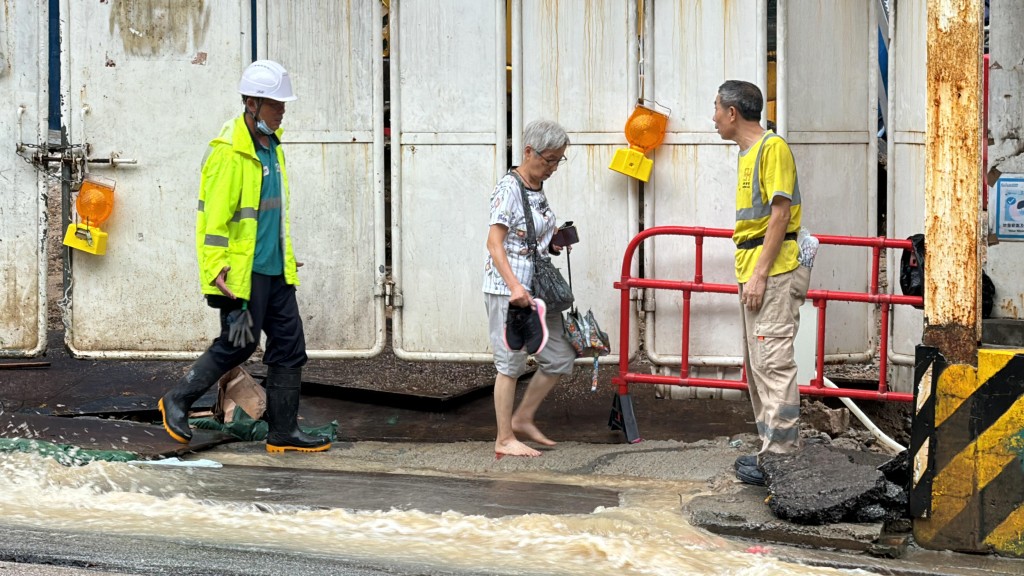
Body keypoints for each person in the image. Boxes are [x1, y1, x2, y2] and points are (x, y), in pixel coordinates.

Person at [158, 60, 331, 453]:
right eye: (275, 104)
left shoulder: (273, 145)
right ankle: (177, 400)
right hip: (240, 276)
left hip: (275, 271)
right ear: (252, 103)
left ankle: (283, 432)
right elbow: (212, 219)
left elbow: (268, 215)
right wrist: (214, 268)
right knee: (239, 343)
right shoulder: (228, 153)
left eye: (283, 103)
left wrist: (284, 256)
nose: (282, 110)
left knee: (290, 346)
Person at [712, 80, 810, 485]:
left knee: (772, 363)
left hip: (771, 272)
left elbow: (780, 216)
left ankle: (783, 457)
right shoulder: (750, 153)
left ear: (733, 112)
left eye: (716, 108)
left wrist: (758, 275)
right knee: (759, 366)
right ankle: (771, 451)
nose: (713, 116)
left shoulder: (772, 149)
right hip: (757, 271)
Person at [483, 119, 577, 458]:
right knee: (510, 363)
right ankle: (504, 438)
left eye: (558, 160)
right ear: (528, 151)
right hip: (511, 290)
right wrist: (514, 288)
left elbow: (530, 236)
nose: (552, 167)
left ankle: (523, 418)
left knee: (560, 357)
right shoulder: (509, 189)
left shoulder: (536, 187)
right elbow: (495, 244)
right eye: (549, 159)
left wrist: (553, 243)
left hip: (536, 289)